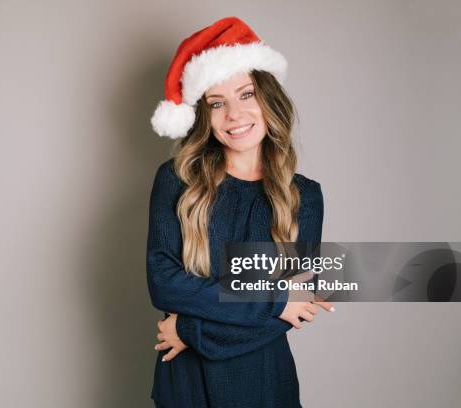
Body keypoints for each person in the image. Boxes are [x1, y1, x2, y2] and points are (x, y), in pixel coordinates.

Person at [146, 17, 334, 408]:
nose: (234, 114)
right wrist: (277, 299)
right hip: (185, 386)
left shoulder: (305, 196)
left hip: (264, 385)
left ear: (267, 98)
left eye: (246, 94)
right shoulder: (176, 179)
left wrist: (190, 329)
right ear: (204, 113)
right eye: (217, 103)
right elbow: (164, 282)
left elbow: (292, 310)